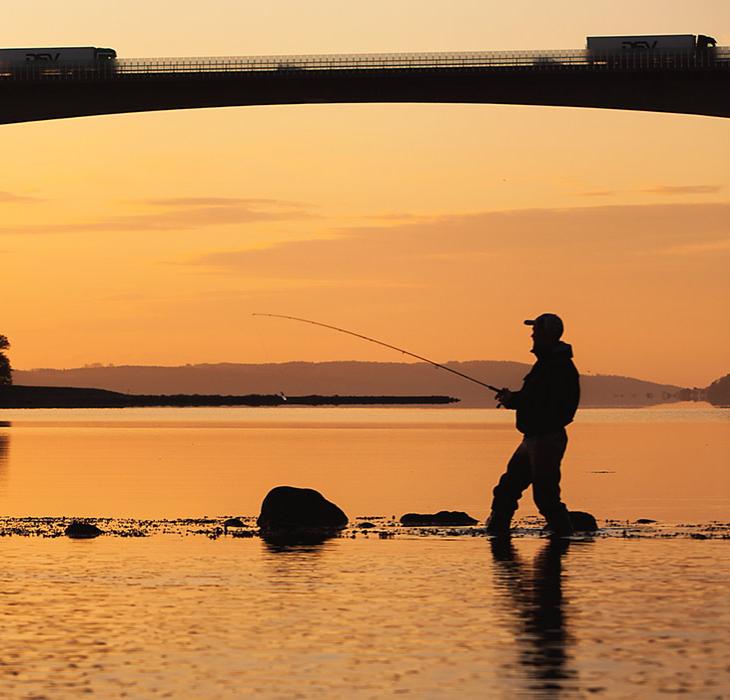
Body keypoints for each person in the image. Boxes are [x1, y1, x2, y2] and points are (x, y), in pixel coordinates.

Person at [486, 313, 579, 536]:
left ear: (547, 335)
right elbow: (536, 398)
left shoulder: (556, 366)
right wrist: (514, 399)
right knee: (507, 488)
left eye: (536, 331)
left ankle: (564, 535)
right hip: (534, 438)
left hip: (546, 439)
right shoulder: (547, 364)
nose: (532, 335)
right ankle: (496, 533)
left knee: (545, 496)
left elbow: (541, 400)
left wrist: (513, 400)